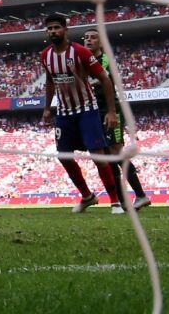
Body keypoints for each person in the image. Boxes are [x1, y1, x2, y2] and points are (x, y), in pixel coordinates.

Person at [40, 15, 123, 215]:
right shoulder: (45, 55)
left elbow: (105, 79)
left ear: (65, 30)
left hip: (87, 110)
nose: (53, 31)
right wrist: (47, 107)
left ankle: (115, 202)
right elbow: (50, 81)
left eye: (56, 28)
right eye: (49, 28)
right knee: (64, 156)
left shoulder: (80, 52)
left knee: (98, 157)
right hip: (64, 113)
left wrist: (111, 112)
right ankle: (87, 196)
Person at [82, 28, 151, 210]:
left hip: (110, 111)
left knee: (116, 154)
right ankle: (122, 201)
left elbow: (101, 79)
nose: (89, 40)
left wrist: (82, 83)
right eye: (86, 38)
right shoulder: (82, 61)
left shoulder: (104, 59)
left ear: (101, 42)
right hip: (94, 112)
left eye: (93, 37)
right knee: (108, 157)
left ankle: (140, 195)